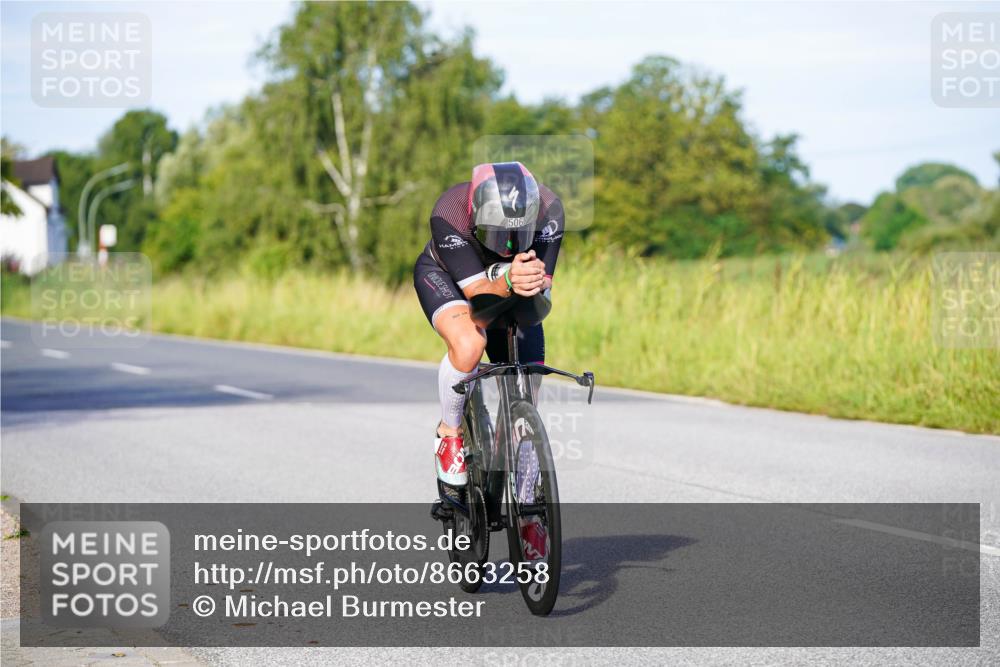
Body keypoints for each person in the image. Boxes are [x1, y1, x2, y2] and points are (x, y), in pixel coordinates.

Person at [412, 162, 564, 555]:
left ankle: (529, 505)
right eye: (496, 233)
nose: (508, 242)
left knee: (528, 371)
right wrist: (510, 279)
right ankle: (450, 434)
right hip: (451, 278)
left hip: (507, 281)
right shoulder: (449, 212)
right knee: (469, 344)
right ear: (477, 217)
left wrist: (527, 282)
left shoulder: (550, 211)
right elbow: (479, 294)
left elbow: (538, 288)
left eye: (517, 233)